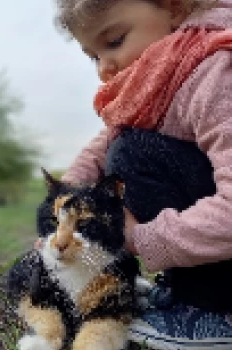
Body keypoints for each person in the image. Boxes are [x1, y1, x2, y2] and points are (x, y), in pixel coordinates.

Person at [53, 0, 232, 348]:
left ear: (176, 8)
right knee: (129, 146)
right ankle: (188, 291)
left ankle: (217, 310)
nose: (104, 68)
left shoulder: (216, 73)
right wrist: (62, 202)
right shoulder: (170, 77)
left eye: (115, 40)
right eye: (93, 56)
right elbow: (109, 137)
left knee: (135, 155)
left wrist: (140, 238)